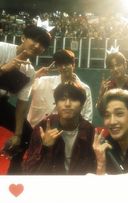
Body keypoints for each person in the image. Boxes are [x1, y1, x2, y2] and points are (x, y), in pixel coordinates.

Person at [0, 24, 51, 173]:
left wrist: (17, 135)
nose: (37, 46)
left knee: (28, 135)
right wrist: (3, 69)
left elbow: (22, 105)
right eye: (33, 40)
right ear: (23, 38)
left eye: (42, 44)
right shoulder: (2, 48)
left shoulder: (30, 72)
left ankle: (14, 176)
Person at [22, 83, 95, 175]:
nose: (67, 104)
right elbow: (29, 171)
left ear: (82, 105)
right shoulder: (43, 127)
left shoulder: (89, 131)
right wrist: (45, 147)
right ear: (56, 103)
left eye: (74, 99)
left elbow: (92, 169)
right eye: (62, 99)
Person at [27, 49, 93, 128]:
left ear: (73, 64)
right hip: (34, 130)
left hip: (66, 133)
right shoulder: (43, 81)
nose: (63, 67)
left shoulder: (84, 88)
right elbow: (24, 87)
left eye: (67, 64)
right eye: (60, 65)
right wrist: (36, 74)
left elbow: (87, 117)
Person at [97, 49, 128, 127]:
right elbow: (101, 111)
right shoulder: (108, 86)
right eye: (111, 67)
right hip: (115, 127)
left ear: (125, 65)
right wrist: (101, 94)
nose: (115, 69)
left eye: (118, 65)